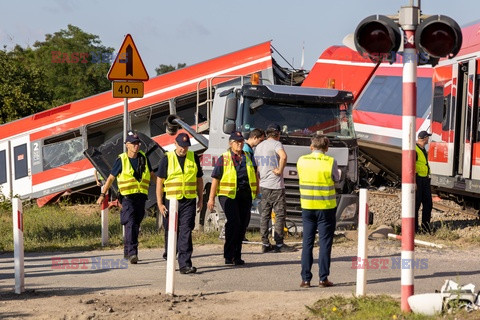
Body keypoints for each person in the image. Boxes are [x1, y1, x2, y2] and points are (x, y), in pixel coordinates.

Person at [97, 131, 155, 264]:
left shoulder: (143, 158)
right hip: (127, 197)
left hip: (141, 196)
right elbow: (111, 178)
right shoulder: (121, 159)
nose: (136, 146)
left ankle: (127, 251)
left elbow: (152, 175)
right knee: (131, 223)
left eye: (138, 143)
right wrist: (102, 194)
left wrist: (163, 186)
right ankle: (133, 252)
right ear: (127, 145)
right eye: (133, 143)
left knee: (135, 224)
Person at [207, 131, 258, 266]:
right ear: (231, 144)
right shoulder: (223, 158)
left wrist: (257, 190)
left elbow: (254, 173)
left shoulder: (248, 156)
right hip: (228, 195)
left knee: (242, 224)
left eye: (241, 141)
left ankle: (237, 256)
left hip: (245, 194)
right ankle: (229, 255)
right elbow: (215, 179)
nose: (239, 144)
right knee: (234, 222)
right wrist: (211, 198)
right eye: (236, 142)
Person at [156, 133, 203, 274]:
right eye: (181, 146)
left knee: (186, 230)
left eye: (186, 146)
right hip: (171, 201)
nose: (184, 149)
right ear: (175, 144)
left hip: (188, 200)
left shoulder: (193, 157)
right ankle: (170, 255)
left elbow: (199, 179)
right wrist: (159, 203)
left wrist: (200, 198)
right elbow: (160, 182)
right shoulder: (167, 158)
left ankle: (185, 264)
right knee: (171, 231)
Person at [297, 134, 339, 288]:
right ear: (326, 148)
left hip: (307, 206)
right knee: (325, 243)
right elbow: (337, 178)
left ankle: (306, 279)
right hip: (326, 207)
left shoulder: (302, 160)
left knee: (307, 242)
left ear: (311, 146)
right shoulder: (330, 161)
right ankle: (323, 278)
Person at [254, 123, 294, 253]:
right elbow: (283, 156)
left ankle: (265, 243)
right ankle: (279, 243)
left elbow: (257, 166)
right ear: (278, 134)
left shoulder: (259, 146)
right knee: (280, 214)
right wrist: (280, 170)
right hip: (276, 185)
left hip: (264, 184)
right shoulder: (277, 144)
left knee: (265, 214)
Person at [415, 130, 433, 233]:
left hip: (425, 179)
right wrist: (414, 182)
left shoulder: (422, 149)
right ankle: (415, 229)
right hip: (418, 180)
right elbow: (412, 166)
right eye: (428, 138)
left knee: (428, 204)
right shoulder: (415, 149)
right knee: (416, 205)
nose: (428, 139)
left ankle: (425, 228)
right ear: (425, 138)